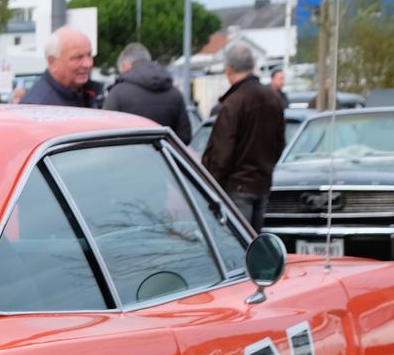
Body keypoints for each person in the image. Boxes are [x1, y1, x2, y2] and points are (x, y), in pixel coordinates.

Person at [201, 42, 285, 226]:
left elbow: (222, 153)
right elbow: (279, 143)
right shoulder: (273, 98)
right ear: (252, 65)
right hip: (262, 183)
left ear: (228, 69)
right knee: (254, 240)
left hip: (236, 188)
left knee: (236, 241)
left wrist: (210, 185)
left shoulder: (233, 103)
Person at [104, 42, 192, 143]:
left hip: (128, 152)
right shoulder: (174, 92)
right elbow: (185, 136)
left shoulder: (117, 93)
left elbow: (105, 135)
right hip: (164, 152)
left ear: (126, 66)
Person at [20, 27, 101, 107]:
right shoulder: (38, 107)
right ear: (52, 62)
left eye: (89, 55)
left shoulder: (92, 94)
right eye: (77, 57)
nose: (87, 64)